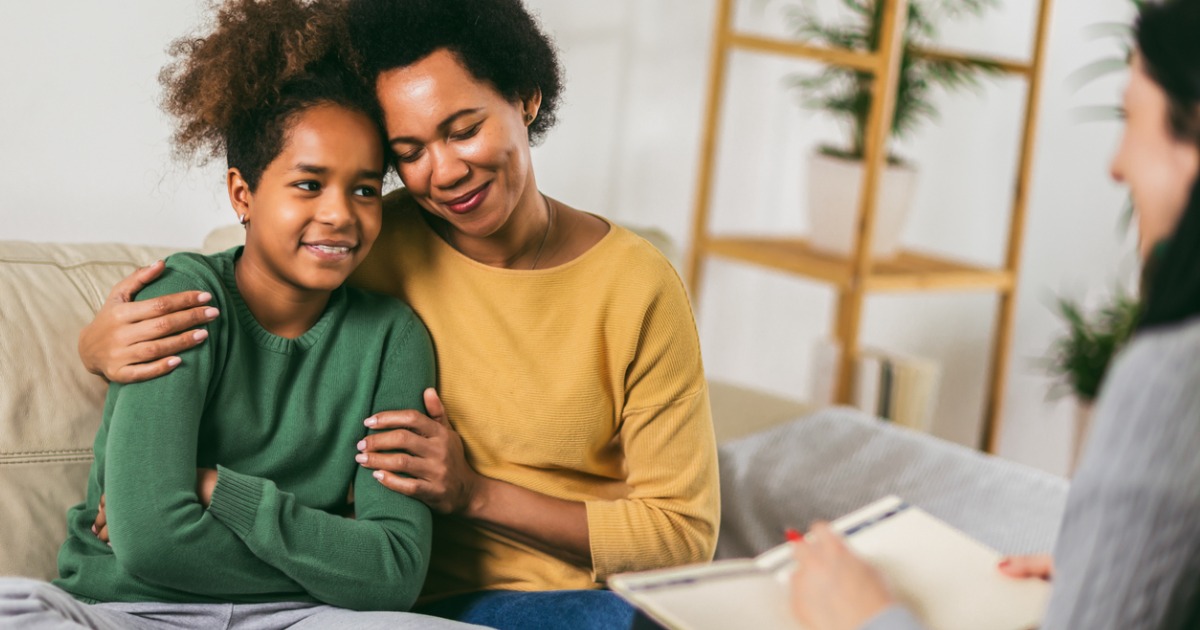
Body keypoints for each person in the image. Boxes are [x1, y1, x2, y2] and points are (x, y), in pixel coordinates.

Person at [76, 0, 721, 627]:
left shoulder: (636, 285)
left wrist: (474, 494)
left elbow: (682, 535)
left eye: (464, 130)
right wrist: (100, 348)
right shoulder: (369, 241)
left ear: (526, 96)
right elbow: (254, 274)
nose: (444, 173)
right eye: (408, 153)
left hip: (552, 599)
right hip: (383, 599)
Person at [0, 1, 480, 627]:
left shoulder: (392, 337)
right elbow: (149, 542)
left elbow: (394, 571)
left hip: (301, 617)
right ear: (242, 194)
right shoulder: (183, 297)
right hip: (126, 607)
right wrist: (335, 560)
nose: (341, 213)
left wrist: (215, 489)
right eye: (309, 184)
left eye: (365, 189)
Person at [787, 1, 1200, 629]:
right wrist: (1116, 580)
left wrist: (869, 618)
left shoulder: (1174, 377)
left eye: (1130, 118)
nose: (1116, 164)